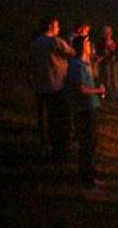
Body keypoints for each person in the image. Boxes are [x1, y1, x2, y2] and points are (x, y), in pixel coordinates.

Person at [28, 16, 76, 160]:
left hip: (40, 85)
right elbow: (72, 53)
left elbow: (31, 63)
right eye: (57, 25)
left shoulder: (35, 43)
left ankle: (44, 145)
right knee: (57, 118)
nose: (59, 28)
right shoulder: (55, 41)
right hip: (56, 85)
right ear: (50, 26)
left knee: (43, 117)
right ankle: (59, 148)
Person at [67, 34, 106, 192]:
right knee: (86, 146)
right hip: (84, 110)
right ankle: (87, 184)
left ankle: (91, 178)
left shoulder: (85, 63)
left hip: (91, 107)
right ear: (82, 47)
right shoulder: (77, 65)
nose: (91, 45)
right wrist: (98, 90)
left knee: (92, 145)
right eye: (88, 43)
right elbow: (81, 89)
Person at [94, 25, 118, 102]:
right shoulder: (101, 43)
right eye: (106, 32)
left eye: (109, 31)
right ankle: (110, 95)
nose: (108, 33)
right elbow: (100, 53)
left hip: (113, 63)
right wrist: (103, 55)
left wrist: (115, 57)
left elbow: (117, 52)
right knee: (107, 80)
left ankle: (117, 95)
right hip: (106, 63)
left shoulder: (114, 41)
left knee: (115, 80)